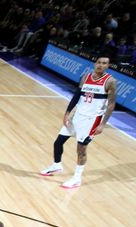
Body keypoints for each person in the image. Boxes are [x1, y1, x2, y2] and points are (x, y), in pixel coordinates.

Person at [39, 56, 117, 189]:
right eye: (98, 62)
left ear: (108, 66)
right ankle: (57, 165)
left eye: (104, 63)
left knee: (81, 149)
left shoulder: (110, 81)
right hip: (77, 116)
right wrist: (68, 112)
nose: (100, 65)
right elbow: (76, 95)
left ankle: (77, 178)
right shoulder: (86, 77)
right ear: (95, 63)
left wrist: (103, 124)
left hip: (92, 120)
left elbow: (111, 104)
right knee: (58, 142)